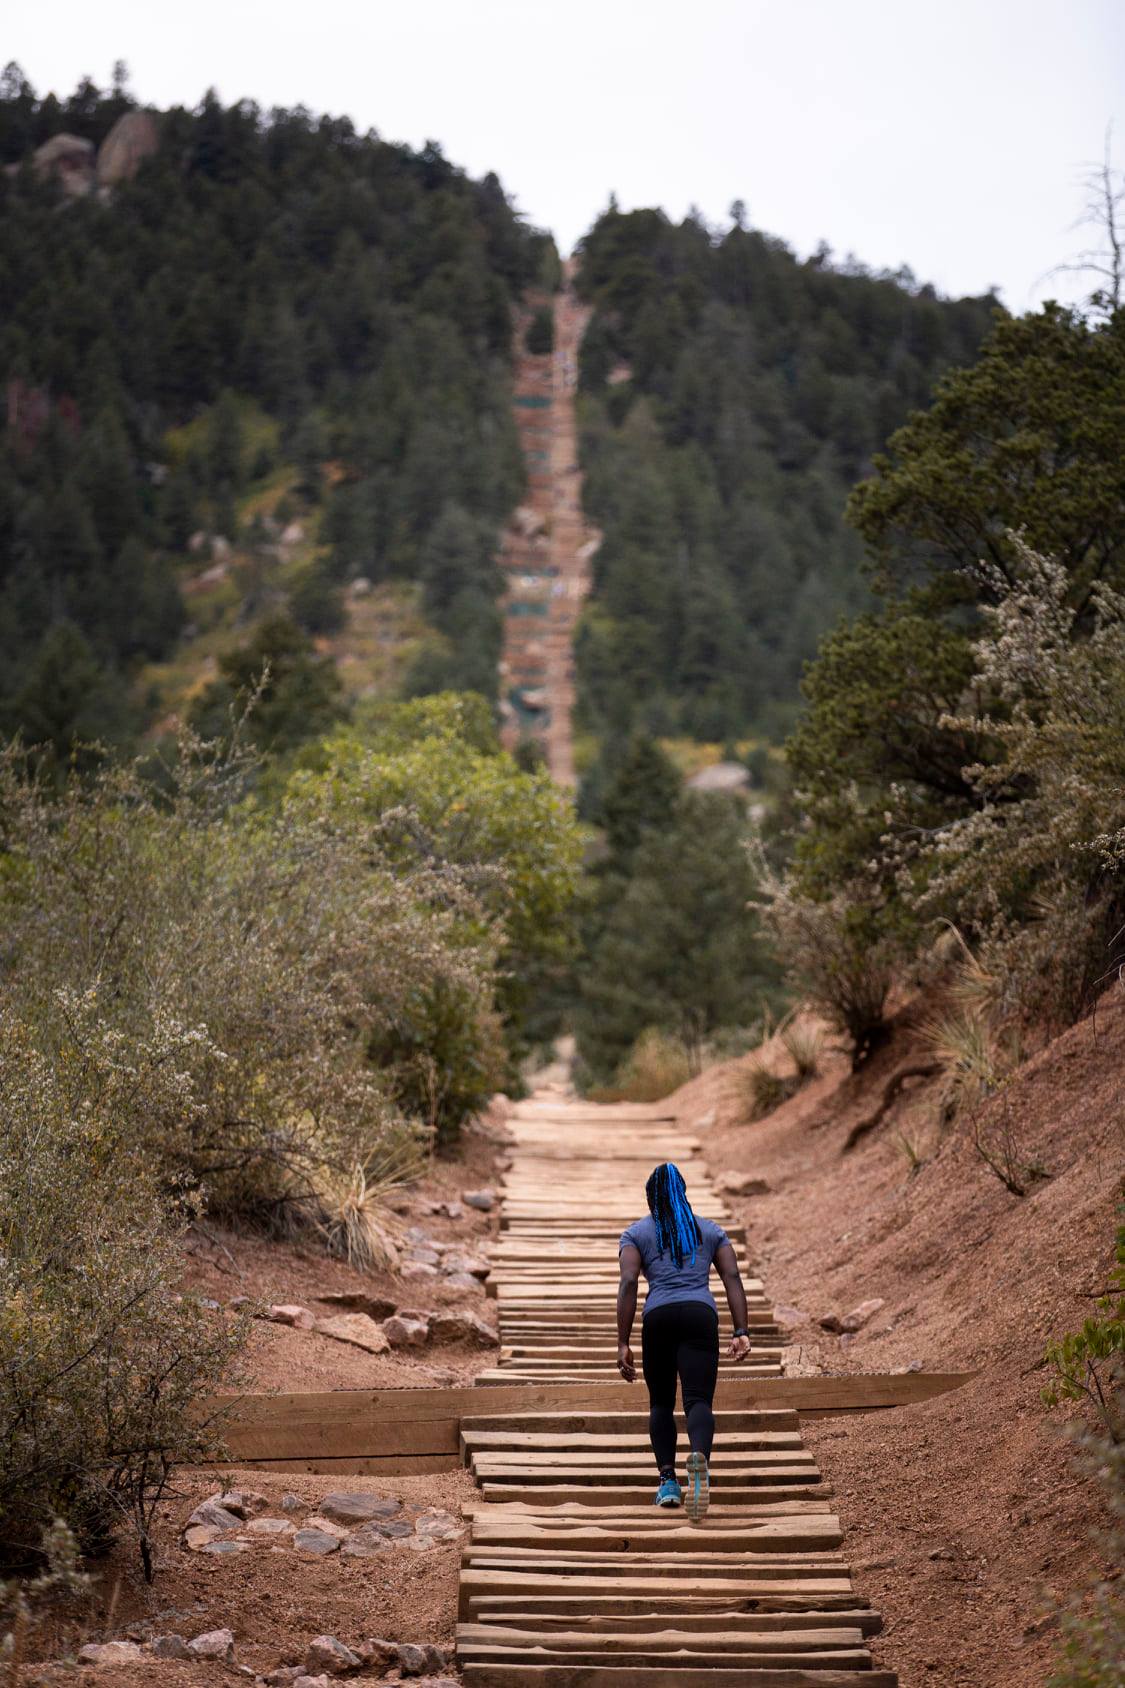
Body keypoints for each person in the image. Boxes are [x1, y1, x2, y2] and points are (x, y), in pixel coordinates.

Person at [617, 1161, 752, 1519]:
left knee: (661, 1403)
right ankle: (700, 1464)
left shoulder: (636, 1234)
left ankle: (667, 1482)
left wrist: (623, 1342)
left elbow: (629, 1282)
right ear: (684, 1193)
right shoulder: (709, 1231)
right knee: (698, 1401)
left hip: (658, 1318)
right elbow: (732, 1276)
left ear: (651, 1197)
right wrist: (741, 1331)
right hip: (699, 1315)